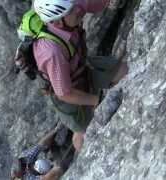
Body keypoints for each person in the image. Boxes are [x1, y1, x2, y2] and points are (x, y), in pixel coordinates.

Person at [32, 0, 128, 152]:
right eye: (70, 11)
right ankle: (78, 143)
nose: (77, 11)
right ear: (57, 21)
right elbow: (64, 93)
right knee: (85, 134)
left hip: (82, 68)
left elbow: (98, 3)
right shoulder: (51, 53)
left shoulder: (72, 9)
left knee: (123, 71)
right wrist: (97, 100)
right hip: (69, 93)